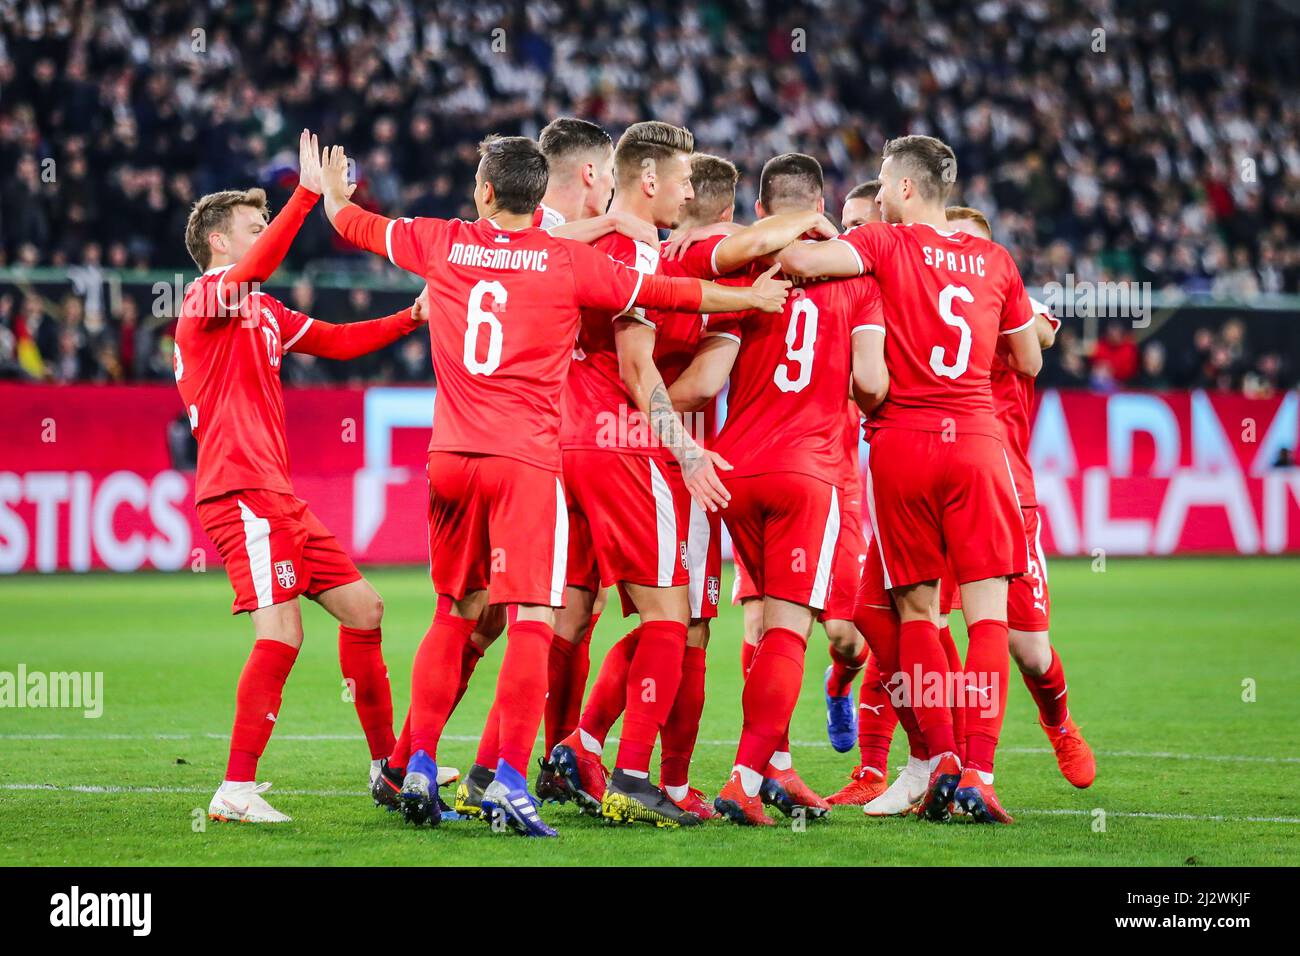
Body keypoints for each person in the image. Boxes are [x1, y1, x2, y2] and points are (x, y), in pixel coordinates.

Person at [320, 133, 791, 836]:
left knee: (457, 613)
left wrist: (329, 193)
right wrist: (745, 300)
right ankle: (518, 779)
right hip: (530, 460)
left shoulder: (440, 243)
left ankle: (416, 763)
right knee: (539, 621)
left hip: (449, 457)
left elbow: (354, 224)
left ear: (484, 191)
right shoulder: (563, 259)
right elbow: (668, 291)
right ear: (542, 196)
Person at [777, 134, 1042, 824]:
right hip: (979, 442)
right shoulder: (994, 258)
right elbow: (1028, 362)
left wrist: (823, 227)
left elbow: (801, 259)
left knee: (917, 612)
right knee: (986, 617)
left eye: (883, 182)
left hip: (904, 444)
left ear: (905, 188)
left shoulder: (885, 247)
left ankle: (942, 758)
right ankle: (978, 773)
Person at [178, 131, 428, 824]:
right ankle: (234, 789)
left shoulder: (263, 311)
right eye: (253, 229)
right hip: (239, 492)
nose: (267, 236)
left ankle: (386, 769)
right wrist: (306, 196)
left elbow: (336, 340)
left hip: (279, 496)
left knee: (365, 611)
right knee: (282, 633)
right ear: (222, 244)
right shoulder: (203, 304)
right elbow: (259, 265)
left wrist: (410, 316)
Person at [668, 153, 890, 826]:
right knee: (793, 630)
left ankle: (778, 766)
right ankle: (744, 778)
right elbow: (873, 386)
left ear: (759, 212)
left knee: (757, 622)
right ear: (821, 204)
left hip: (736, 469)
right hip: (807, 471)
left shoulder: (748, 269)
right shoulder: (860, 281)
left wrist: (631, 419)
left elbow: (709, 380)